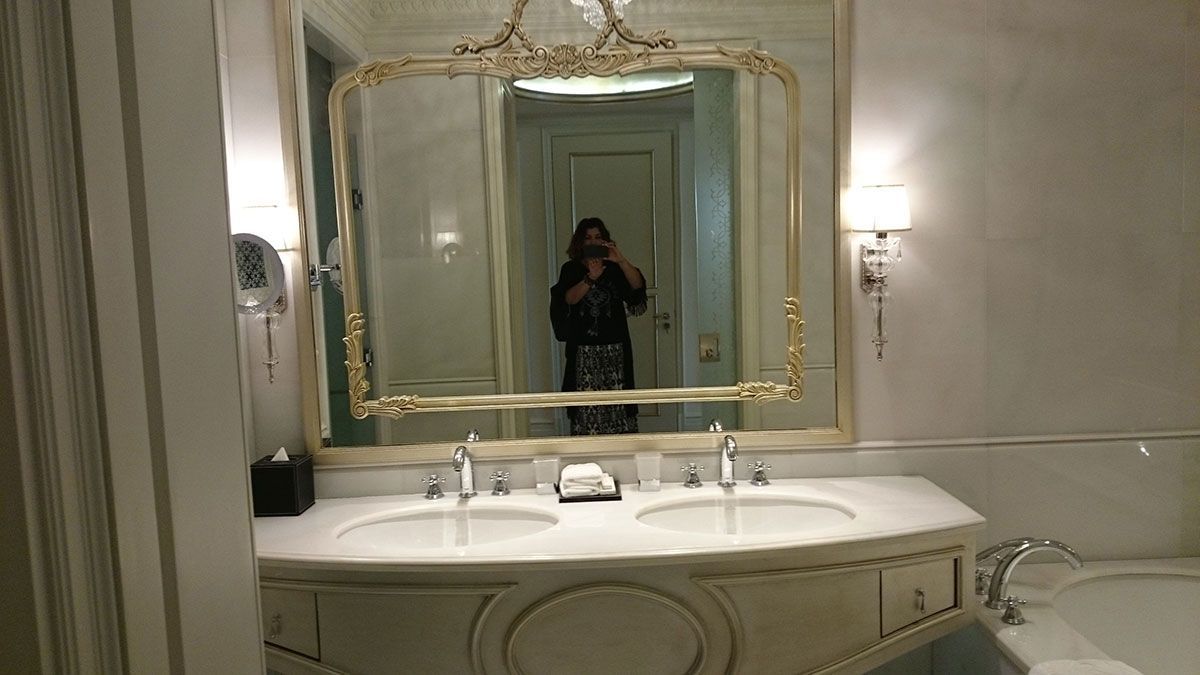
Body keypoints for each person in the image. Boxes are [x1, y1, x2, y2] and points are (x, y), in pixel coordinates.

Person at [550, 217, 647, 435]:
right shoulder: (571, 269)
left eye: (598, 237)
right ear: (580, 242)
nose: (593, 242)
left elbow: (637, 287)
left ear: (605, 240)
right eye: (588, 238)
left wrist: (621, 260)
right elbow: (569, 299)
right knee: (586, 410)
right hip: (583, 351)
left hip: (615, 349)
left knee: (619, 407)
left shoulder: (614, 268)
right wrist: (591, 278)